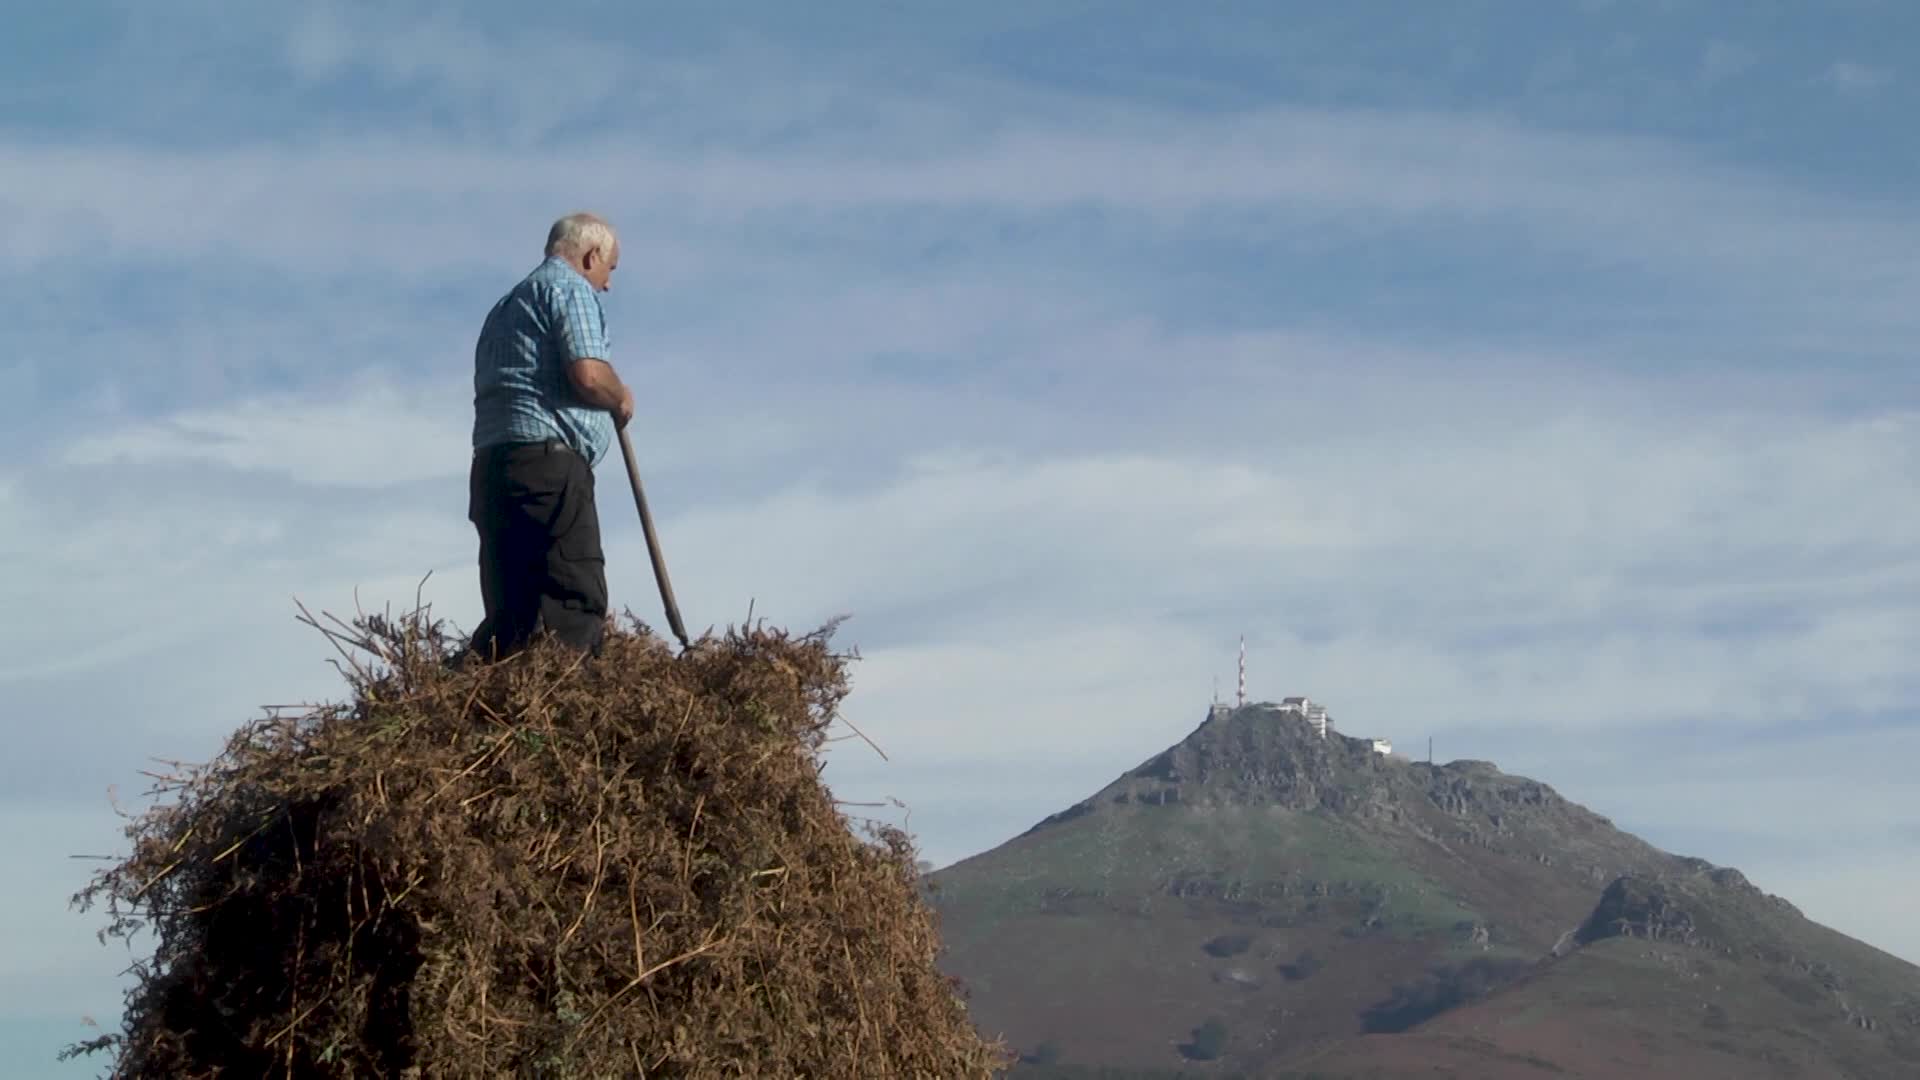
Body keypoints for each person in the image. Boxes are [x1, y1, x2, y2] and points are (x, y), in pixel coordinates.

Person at [466, 212, 637, 660]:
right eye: (609, 269)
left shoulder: (505, 308)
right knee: (573, 597)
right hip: (550, 469)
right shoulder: (569, 289)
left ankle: (498, 711)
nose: (607, 284)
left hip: (494, 472)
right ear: (590, 255)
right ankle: (571, 714)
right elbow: (588, 374)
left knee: (511, 613)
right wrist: (619, 395)